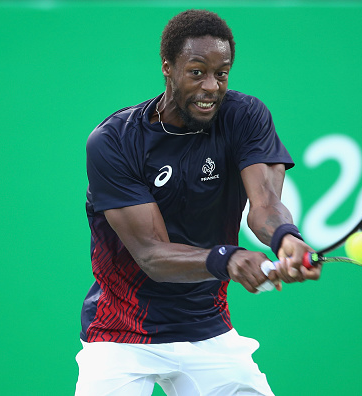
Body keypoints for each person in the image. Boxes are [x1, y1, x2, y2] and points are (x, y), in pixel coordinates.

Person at [75, 9, 321, 396]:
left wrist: (286, 239)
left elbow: (266, 205)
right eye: (196, 72)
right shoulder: (114, 141)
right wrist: (229, 259)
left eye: (221, 73)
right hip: (120, 336)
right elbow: (153, 256)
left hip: (206, 329)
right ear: (168, 68)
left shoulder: (244, 116)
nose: (211, 86)